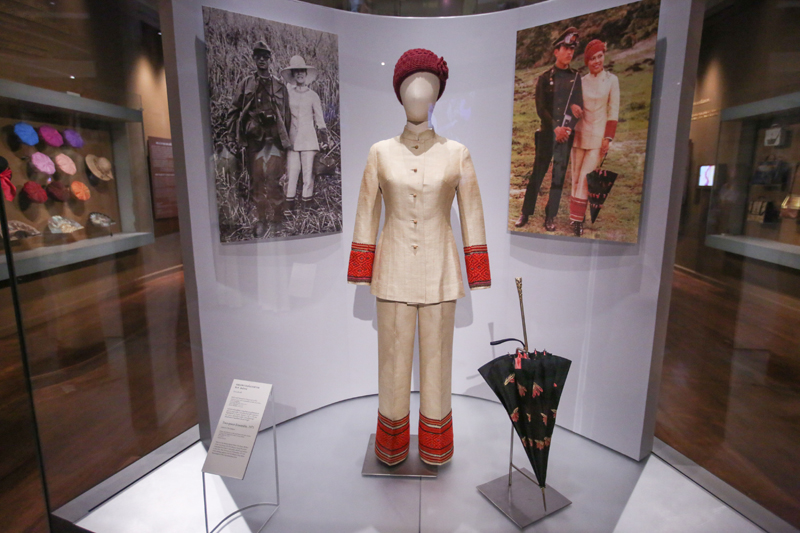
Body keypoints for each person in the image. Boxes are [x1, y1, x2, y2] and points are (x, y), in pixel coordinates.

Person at [347, 49, 490, 467]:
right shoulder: (379, 152)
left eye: (427, 87)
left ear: (437, 96)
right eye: (410, 86)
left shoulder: (457, 152)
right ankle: (391, 446)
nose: (418, 94)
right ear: (399, 93)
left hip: (440, 272)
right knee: (392, 363)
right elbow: (366, 212)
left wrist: (477, 271)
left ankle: (435, 447)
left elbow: (472, 213)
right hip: (392, 271)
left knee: (438, 364)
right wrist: (361, 268)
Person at [515, 27, 584, 232]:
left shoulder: (575, 77)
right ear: (556, 51)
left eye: (572, 49)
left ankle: (550, 216)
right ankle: (525, 213)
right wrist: (555, 128)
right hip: (547, 134)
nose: (569, 52)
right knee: (538, 173)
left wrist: (569, 125)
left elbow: (578, 105)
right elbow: (541, 108)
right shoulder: (545, 78)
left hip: (566, 136)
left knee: (558, 177)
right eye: (566, 48)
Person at [226, 41, 291, 238]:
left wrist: (286, 141)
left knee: (274, 179)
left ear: (270, 60)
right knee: (256, 180)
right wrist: (233, 136)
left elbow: (287, 115)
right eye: (258, 56)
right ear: (254, 59)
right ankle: (261, 219)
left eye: (265, 57)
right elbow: (234, 110)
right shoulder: (246, 84)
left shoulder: (279, 86)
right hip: (254, 138)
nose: (262, 60)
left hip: (274, 139)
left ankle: (277, 219)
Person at [569, 39, 619, 236]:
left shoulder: (612, 80)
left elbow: (613, 111)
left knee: (585, 178)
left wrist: (608, 138)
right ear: (587, 61)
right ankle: (575, 217)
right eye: (593, 58)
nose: (597, 61)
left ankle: (577, 220)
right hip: (579, 134)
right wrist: (574, 107)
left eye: (600, 56)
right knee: (575, 177)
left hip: (598, 137)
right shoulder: (581, 81)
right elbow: (572, 104)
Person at [281, 55, 329, 212]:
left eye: (302, 71)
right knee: (292, 172)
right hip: (292, 140)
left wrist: (324, 139)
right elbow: (282, 116)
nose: (300, 74)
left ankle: (307, 207)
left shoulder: (313, 95)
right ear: (292, 75)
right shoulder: (288, 94)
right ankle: (289, 207)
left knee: (308, 174)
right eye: (296, 71)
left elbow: (319, 119)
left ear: (306, 73)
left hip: (309, 140)